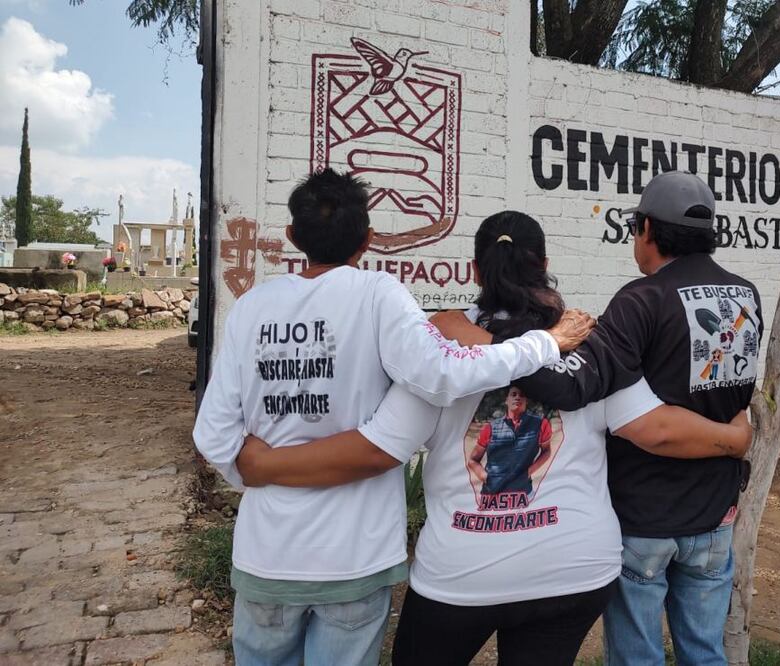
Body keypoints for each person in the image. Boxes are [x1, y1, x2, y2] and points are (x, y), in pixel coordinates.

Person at [234, 210, 753, 666]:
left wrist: (268, 465)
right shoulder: (589, 345)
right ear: (545, 262)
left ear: (476, 271)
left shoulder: (437, 349)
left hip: (461, 578)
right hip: (573, 573)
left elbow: (377, 448)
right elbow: (657, 429)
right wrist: (735, 437)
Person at [192, 171, 593, 666]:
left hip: (265, 554)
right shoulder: (378, 295)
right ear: (367, 239)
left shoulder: (251, 308)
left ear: (293, 237)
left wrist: (258, 469)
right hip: (354, 559)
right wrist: (543, 344)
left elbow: (213, 434)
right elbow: (442, 373)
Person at [436, 172, 765, 665]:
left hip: (647, 516)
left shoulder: (643, 298)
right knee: (705, 653)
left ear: (647, 229)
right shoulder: (745, 295)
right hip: (717, 514)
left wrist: (496, 343)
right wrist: (733, 440)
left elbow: (573, 386)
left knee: (638, 658)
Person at [469, 385, 552, 497]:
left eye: (522, 395)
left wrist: (529, 472)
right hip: (491, 496)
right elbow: (473, 460)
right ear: (506, 400)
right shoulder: (490, 428)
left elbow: (546, 451)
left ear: (526, 401)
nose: (517, 397)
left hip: (524, 493)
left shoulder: (540, 424)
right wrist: (485, 476)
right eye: (513, 394)